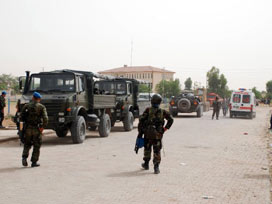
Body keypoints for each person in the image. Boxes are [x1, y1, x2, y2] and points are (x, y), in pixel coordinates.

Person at [138, 94, 174, 174]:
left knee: (147, 149)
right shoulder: (162, 112)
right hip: (158, 135)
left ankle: (146, 164)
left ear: (151, 101)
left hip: (148, 134)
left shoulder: (148, 110)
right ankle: (156, 167)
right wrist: (165, 129)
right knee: (157, 150)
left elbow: (141, 120)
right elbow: (171, 119)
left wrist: (141, 132)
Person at [20, 92, 48, 167]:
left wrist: (21, 129)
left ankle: (24, 158)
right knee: (37, 145)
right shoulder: (41, 107)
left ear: (33, 98)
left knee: (27, 144)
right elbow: (46, 119)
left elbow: (21, 118)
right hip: (36, 129)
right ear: (39, 99)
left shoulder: (26, 106)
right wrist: (42, 127)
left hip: (28, 128)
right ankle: (34, 162)